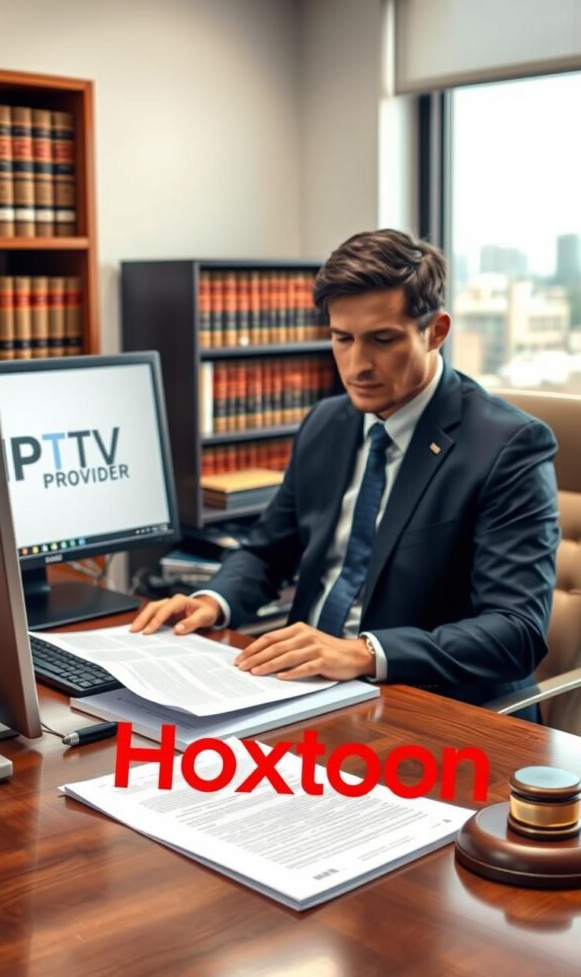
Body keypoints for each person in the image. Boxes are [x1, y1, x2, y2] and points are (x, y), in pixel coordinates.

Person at [131, 228, 559, 711]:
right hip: (306, 691)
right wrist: (212, 602)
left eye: (382, 340)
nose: (357, 365)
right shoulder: (327, 423)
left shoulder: (508, 446)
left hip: (433, 708)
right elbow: (269, 550)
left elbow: (515, 631)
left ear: (436, 331)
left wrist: (363, 653)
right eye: (342, 338)